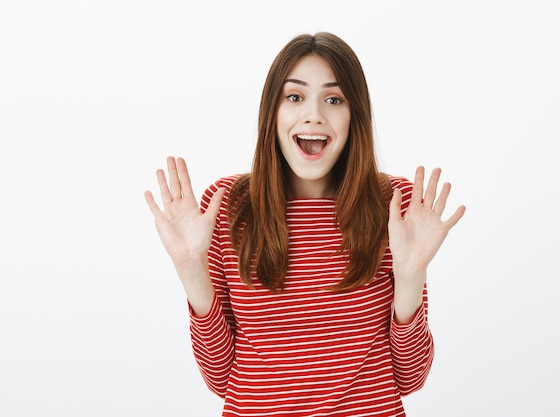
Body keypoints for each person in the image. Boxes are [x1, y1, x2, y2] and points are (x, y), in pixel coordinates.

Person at [145, 31, 465, 417]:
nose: (314, 114)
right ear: (272, 113)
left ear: (354, 116)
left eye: (334, 99)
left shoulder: (395, 206)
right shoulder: (230, 205)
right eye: (294, 97)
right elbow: (220, 378)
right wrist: (190, 271)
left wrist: (412, 275)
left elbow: (410, 378)